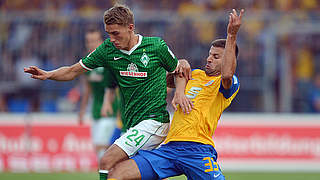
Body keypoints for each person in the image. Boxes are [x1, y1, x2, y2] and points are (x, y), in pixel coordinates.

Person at [23, 4, 192, 180]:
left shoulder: (156, 46)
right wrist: (48, 74)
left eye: (115, 33)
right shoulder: (107, 50)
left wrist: (180, 92)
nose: (111, 38)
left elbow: (178, 71)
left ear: (130, 28)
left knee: (106, 161)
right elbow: (73, 71)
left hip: (154, 121)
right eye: (108, 33)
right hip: (131, 124)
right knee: (125, 173)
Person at [107, 9, 244, 180]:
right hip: (169, 148)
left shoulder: (227, 84)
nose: (209, 59)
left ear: (228, 60)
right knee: (116, 174)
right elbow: (160, 80)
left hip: (198, 150)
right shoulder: (194, 75)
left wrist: (231, 35)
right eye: (209, 55)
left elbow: (227, 75)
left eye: (216, 57)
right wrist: (179, 65)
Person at [78, 27, 121, 162]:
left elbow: (119, 87)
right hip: (96, 111)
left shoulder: (110, 60)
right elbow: (88, 89)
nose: (91, 44)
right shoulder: (87, 63)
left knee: (102, 149)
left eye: (94, 41)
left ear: (102, 42)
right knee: (100, 151)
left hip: (111, 111)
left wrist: (120, 111)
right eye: (88, 41)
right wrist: (82, 110)